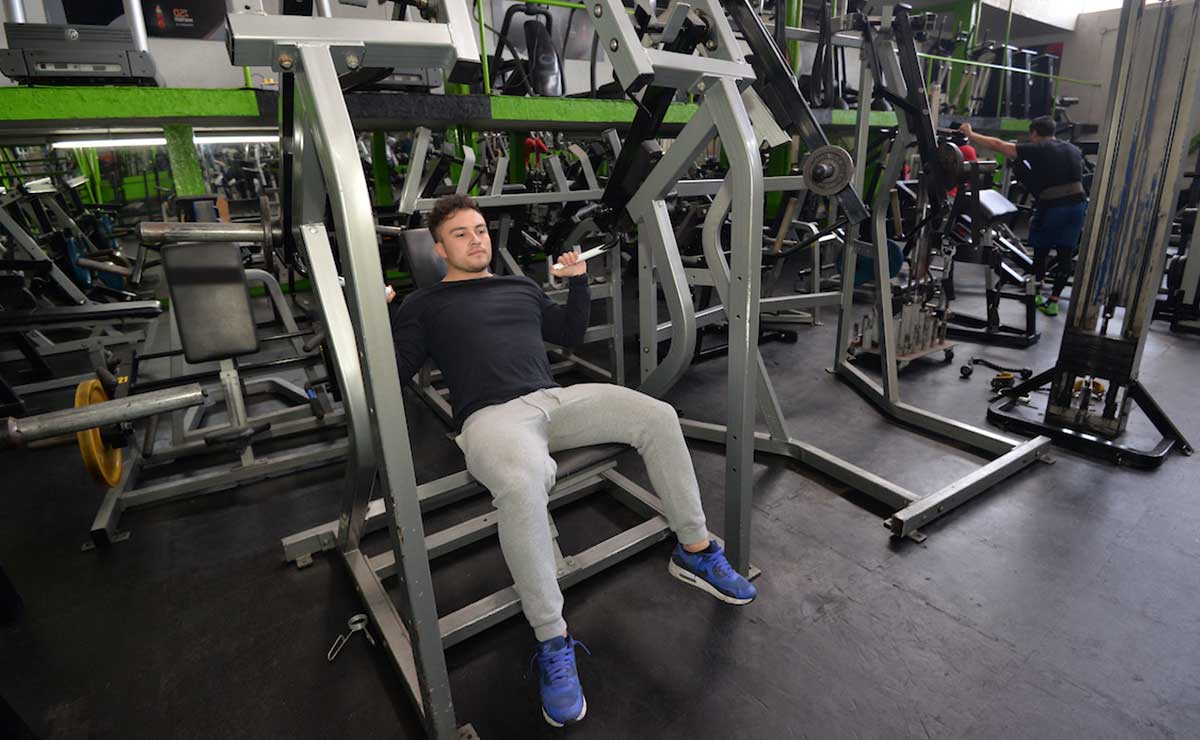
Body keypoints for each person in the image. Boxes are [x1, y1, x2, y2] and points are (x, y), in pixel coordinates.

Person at [388, 194, 757, 728]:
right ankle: (552, 638)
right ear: (440, 249)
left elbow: (568, 334)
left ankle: (695, 550)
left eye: (480, 230)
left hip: (555, 400)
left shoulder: (519, 287)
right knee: (524, 482)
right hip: (493, 418)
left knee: (657, 416)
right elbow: (393, 372)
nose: (477, 239)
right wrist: (378, 317)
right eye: (462, 234)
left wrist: (579, 280)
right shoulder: (424, 305)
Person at [959, 116, 1088, 316]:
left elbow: (997, 145)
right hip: (1077, 207)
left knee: (1041, 252)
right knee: (1065, 255)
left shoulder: (1037, 148)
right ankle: (1053, 301)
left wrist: (970, 133)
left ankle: (1035, 294)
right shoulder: (1072, 149)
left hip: (1054, 208)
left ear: (1034, 133)